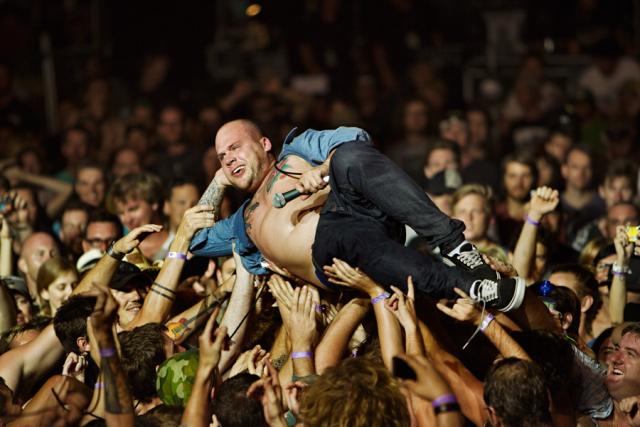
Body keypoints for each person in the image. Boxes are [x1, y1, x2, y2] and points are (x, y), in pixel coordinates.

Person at [191, 120, 525, 311]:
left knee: (347, 157)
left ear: (264, 143)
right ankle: (474, 288)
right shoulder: (243, 220)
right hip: (334, 255)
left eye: (235, 147)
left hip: (359, 210)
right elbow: (197, 239)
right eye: (222, 157)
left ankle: (455, 246)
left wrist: (323, 169)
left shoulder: (297, 150)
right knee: (340, 236)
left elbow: (356, 139)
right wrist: (218, 181)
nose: (228, 158)